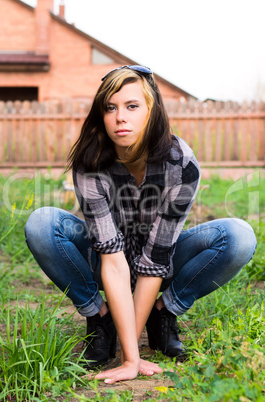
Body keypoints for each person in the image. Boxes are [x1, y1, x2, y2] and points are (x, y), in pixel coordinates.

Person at [25, 65, 257, 384]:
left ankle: (164, 312)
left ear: (151, 111)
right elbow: (113, 260)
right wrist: (131, 358)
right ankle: (99, 317)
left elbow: (156, 260)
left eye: (132, 106)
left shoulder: (181, 163)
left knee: (239, 236)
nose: (121, 117)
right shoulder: (90, 162)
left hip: (162, 264)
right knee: (42, 223)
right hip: (106, 261)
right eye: (110, 107)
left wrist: (127, 356)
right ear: (101, 115)